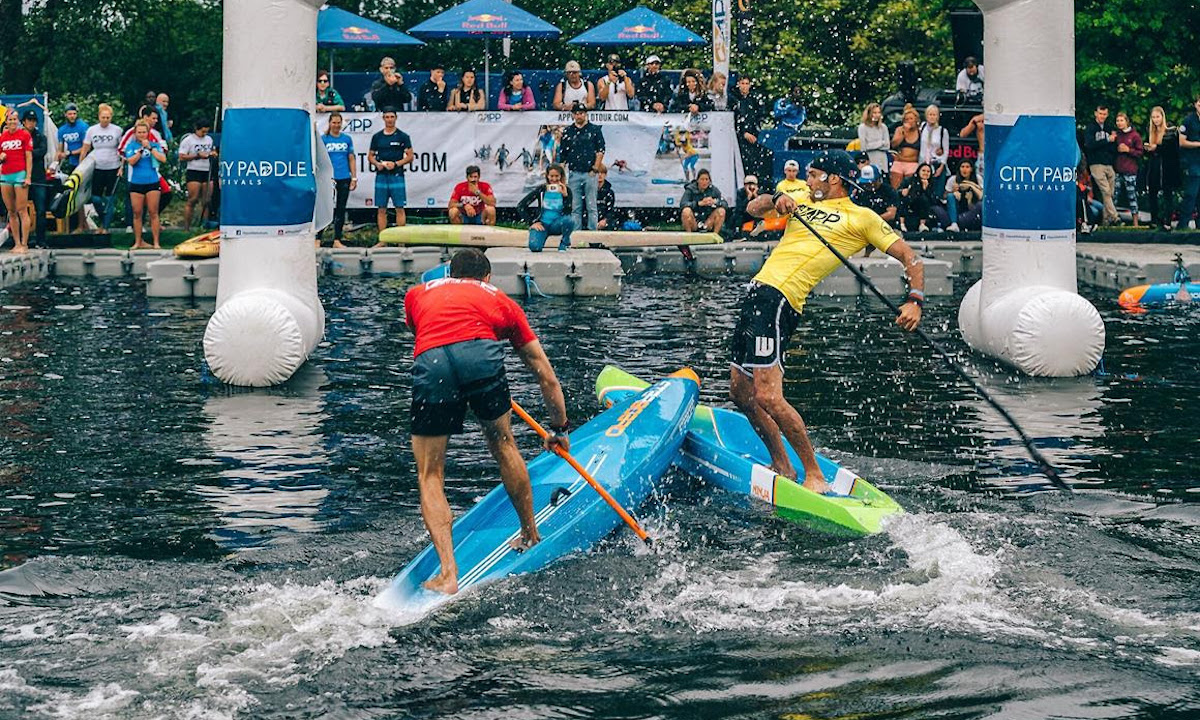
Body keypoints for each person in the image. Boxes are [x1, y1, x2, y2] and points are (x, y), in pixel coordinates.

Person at [739, 149, 924, 491]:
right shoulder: (799, 197)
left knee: (767, 397)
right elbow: (752, 208)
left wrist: (914, 300)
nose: (807, 179)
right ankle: (782, 463)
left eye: (813, 174)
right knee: (740, 392)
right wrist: (776, 198)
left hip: (781, 299)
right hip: (757, 293)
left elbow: (910, 258)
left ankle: (814, 474)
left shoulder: (861, 217)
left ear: (832, 179)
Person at [404, 247, 570, 595]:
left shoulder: (417, 294)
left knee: (429, 473)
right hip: (481, 357)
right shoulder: (503, 301)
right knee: (503, 443)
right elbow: (545, 374)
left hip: (432, 362)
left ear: (449, 273)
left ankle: (448, 574)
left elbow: (425, 329)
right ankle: (529, 533)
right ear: (488, 278)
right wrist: (559, 429)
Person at [558, 102, 605, 231]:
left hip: (590, 172)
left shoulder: (594, 130)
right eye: (577, 113)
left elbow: (600, 150)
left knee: (591, 206)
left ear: (586, 114)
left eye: (581, 113)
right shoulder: (568, 131)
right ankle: (576, 235)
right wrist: (562, 176)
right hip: (574, 173)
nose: (579, 116)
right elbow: (563, 155)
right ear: (573, 115)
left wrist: (595, 168)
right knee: (575, 207)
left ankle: (592, 234)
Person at [368, 108, 413, 234]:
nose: (389, 120)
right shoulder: (377, 137)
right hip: (381, 176)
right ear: (383, 118)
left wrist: (396, 164)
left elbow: (410, 156)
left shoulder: (403, 136)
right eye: (387, 117)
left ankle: (401, 241)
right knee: (381, 208)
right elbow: (370, 156)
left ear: (396, 118)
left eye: (392, 117)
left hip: (397, 175)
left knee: (399, 207)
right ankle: (383, 240)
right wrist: (378, 164)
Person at [79, 103, 123, 234]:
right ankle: (103, 218)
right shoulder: (92, 130)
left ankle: (105, 227)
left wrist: (122, 166)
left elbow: (122, 150)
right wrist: (81, 166)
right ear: (99, 117)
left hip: (113, 166)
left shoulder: (117, 130)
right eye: (103, 117)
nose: (105, 120)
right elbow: (85, 149)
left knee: (110, 198)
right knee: (96, 198)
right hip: (97, 166)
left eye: (108, 117)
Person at [123, 120, 167, 249]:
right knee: (137, 212)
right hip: (136, 182)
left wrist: (150, 148)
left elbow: (162, 159)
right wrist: (141, 150)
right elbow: (131, 161)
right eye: (139, 132)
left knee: (153, 212)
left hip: (152, 181)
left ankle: (156, 242)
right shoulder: (131, 146)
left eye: (144, 132)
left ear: (148, 133)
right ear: (135, 133)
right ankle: (138, 241)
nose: (142, 135)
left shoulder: (154, 145)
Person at [518, 164, 575, 252]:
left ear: (561, 176)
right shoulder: (541, 189)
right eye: (551, 176)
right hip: (542, 225)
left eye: (557, 176)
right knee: (534, 247)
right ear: (547, 176)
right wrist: (532, 222)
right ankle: (541, 237)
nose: (554, 179)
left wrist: (565, 196)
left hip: (557, 224)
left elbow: (568, 212)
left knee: (570, 220)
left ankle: (565, 242)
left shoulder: (567, 190)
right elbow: (521, 205)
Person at [321, 112, 356, 247]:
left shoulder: (347, 139)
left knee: (340, 209)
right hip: (328, 178)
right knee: (324, 208)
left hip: (344, 177)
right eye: (334, 122)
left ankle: (337, 239)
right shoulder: (324, 139)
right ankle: (318, 238)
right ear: (329, 123)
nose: (336, 125)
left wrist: (354, 177)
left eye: (338, 123)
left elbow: (351, 158)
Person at [0, 108, 33, 253]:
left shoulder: (24, 135)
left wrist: (28, 177)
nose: (12, 122)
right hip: (5, 175)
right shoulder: (2, 136)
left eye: (14, 119)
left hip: (20, 174)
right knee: (11, 211)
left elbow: (28, 157)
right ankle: (17, 242)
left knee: (22, 210)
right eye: (10, 120)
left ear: (18, 121)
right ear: (6, 121)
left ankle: (25, 244)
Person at [1144, 105, 1180, 231]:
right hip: (1154, 164)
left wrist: (1157, 148)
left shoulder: (1170, 131)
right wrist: (1148, 148)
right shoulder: (1150, 130)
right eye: (1153, 117)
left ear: (1162, 117)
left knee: (1167, 194)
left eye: (1157, 117)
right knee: (1152, 192)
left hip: (1167, 166)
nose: (1155, 120)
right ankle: (1154, 220)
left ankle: (1167, 221)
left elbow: (1174, 151)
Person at [729, 76, 771, 183]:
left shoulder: (754, 100)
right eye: (742, 83)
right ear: (738, 84)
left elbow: (759, 118)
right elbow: (732, 120)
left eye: (747, 83)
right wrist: (743, 133)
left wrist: (754, 132)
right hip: (738, 139)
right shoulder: (733, 99)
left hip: (752, 138)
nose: (744, 86)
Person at [178, 118, 217, 232]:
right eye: (202, 132)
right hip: (194, 170)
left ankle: (204, 226)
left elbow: (213, 150)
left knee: (206, 200)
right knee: (193, 199)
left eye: (206, 132)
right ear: (197, 129)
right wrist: (197, 156)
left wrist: (213, 154)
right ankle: (186, 228)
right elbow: (182, 156)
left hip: (206, 170)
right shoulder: (188, 140)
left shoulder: (209, 139)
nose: (204, 134)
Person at [1084, 105, 1120, 226]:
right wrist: (1106, 141)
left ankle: (1106, 221)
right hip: (1096, 163)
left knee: (1110, 193)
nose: (1102, 116)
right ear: (1096, 113)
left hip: (1109, 164)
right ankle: (1115, 218)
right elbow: (1089, 144)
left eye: (1104, 114)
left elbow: (1114, 146)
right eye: (1100, 113)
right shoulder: (1090, 128)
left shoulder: (1109, 128)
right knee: (1105, 191)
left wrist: (1109, 143)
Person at [57, 103, 90, 232]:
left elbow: (86, 147)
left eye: (74, 114)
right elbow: (60, 150)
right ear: (65, 114)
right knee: (74, 194)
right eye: (70, 114)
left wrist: (70, 153)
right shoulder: (62, 130)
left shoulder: (83, 127)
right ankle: (81, 224)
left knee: (82, 193)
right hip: (72, 164)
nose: (72, 116)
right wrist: (55, 163)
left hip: (84, 163)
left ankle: (82, 224)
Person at [20, 110, 49, 247]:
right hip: (22, 176)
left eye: (33, 120)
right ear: (23, 122)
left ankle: (41, 240)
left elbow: (42, 151)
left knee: (41, 209)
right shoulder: (19, 137)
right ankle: (21, 239)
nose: (31, 123)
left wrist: (26, 153)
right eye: (28, 120)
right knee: (20, 208)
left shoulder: (40, 137)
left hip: (38, 178)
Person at [1113, 112, 1144, 226]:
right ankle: (1112, 220)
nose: (1119, 123)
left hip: (1130, 170)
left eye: (1121, 120)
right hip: (1118, 169)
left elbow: (1140, 152)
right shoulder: (1117, 135)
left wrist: (1128, 150)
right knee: (1114, 195)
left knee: (1132, 195)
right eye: (1117, 121)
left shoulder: (1135, 135)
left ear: (1127, 121)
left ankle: (1135, 222)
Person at [898, 162, 949, 232]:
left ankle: (922, 225)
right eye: (923, 171)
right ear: (918, 171)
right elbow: (897, 192)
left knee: (924, 199)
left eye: (928, 171)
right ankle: (902, 224)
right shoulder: (909, 180)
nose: (926, 173)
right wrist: (902, 192)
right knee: (905, 200)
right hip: (909, 204)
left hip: (924, 207)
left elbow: (934, 200)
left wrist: (925, 190)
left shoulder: (932, 182)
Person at [851, 164, 899, 229]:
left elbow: (891, 214)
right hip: (863, 227)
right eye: (865, 182)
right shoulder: (859, 190)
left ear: (878, 180)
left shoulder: (888, 191)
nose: (867, 185)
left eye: (870, 182)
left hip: (886, 227)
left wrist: (872, 221)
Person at [1178, 94, 1200, 230]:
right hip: (1193, 161)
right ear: (1195, 104)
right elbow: (1181, 142)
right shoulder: (1188, 120)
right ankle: (1182, 224)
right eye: (1199, 104)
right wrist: (1198, 144)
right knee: (1191, 194)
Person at [680, 168, 727, 233]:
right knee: (686, 211)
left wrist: (715, 202)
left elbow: (725, 204)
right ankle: (689, 235)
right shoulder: (690, 189)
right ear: (697, 180)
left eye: (706, 179)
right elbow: (683, 204)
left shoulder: (713, 190)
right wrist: (698, 203)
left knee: (721, 211)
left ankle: (715, 235)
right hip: (694, 221)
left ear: (709, 181)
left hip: (708, 222)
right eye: (702, 179)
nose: (704, 182)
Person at [944, 159, 982, 231]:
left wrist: (971, 186)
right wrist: (952, 191)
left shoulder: (978, 178)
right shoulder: (953, 179)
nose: (965, 169)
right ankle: (954, 224)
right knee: (950, 196)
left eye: (967, 167)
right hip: (957, 211)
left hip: (972, 211)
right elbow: (945, 197)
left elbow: (981, 196)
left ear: (971, 169)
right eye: (962, 166)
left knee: (980, 204)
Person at [919, 104, 950, 193]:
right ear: (926, 115)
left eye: (934, 115)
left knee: (937, 191)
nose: (932, 117)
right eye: (930, 114)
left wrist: (941, 166)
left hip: (937, 163)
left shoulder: (942, 131)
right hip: (924, 163)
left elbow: (946, 151)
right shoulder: (922, 127)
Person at [890, 105, 921, 188]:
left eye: (911, 119)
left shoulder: (920, 131)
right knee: (895, 175)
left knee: (910, 183)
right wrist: (904, 133)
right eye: (907, 119)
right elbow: (894, 144)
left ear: (916, 120)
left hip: (913, 163)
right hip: (899, 161)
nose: (909, 121)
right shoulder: (900, 130)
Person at [857, 102, 889, 170]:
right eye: (874, 112)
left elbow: (887, 146)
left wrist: (872, 145)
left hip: (882, 159)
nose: (877, 115)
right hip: (870, 158)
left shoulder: (883, 127)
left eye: (878, 112)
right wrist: (881, 143)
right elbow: (864, 147)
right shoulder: (862, 127)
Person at [960, 112, 985, 182]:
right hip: (983, 155)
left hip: (996, 154)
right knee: (980, 180)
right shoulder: (979, 119)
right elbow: (963, 134)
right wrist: (973, 122)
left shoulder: (999, 119)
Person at [595, 164, 620, 230]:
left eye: (602, 173)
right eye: (598, 173)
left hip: (605, 222)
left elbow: (610, 210)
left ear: (605, 175)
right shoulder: (588, 191)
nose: (600, 175)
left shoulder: (609, 192)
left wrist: (605, 220)